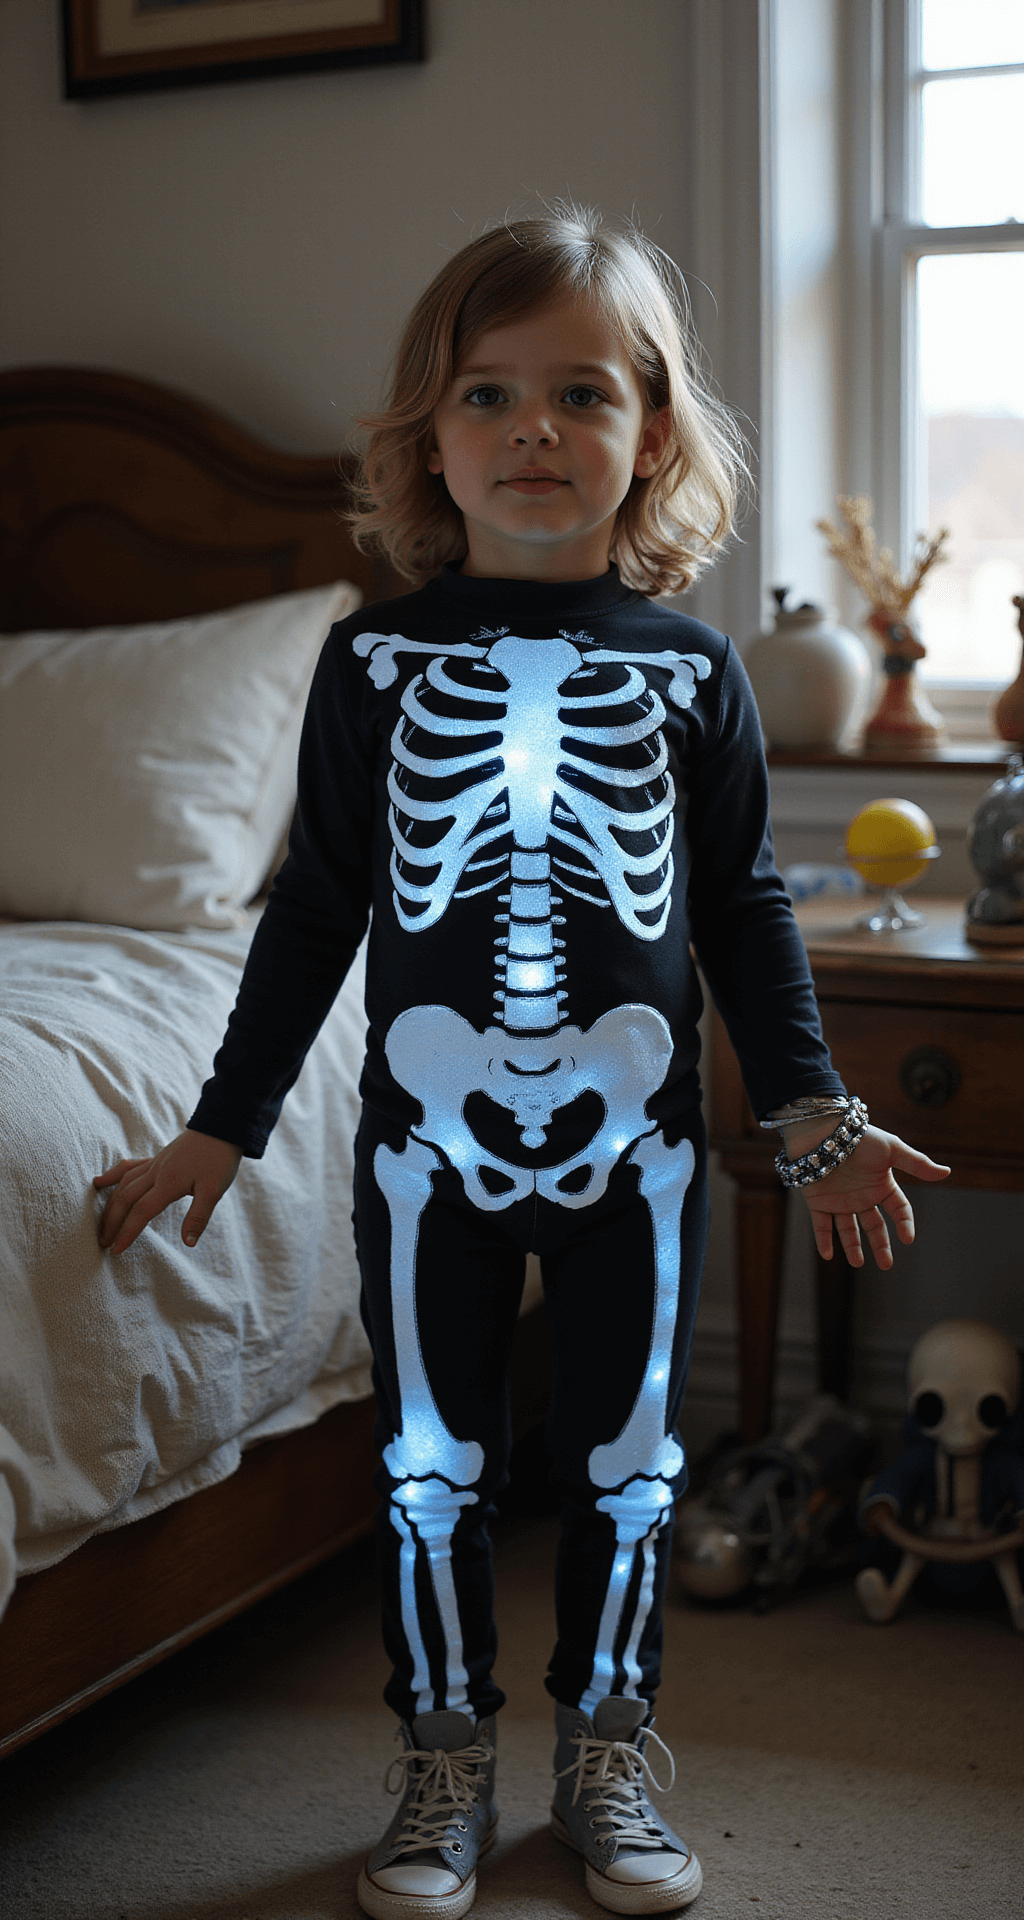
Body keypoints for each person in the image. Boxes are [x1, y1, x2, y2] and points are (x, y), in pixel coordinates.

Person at [95, 208, 949, 1919]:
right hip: (426, 1155)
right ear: (430, 441)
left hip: (639, 1150)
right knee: (429, 1463)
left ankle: (612, 1740)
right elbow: (319, 906)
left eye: (582, 394)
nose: (535, 431)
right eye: (488, 396)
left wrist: (811, 1113)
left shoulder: (697, 674)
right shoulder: (371, 664)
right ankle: (442, 1753)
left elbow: (746, 912)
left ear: (651, 439)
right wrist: (221, 1126)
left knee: (631, 1459)